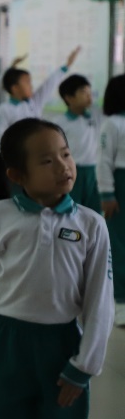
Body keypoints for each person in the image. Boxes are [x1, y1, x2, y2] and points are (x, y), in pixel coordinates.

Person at [0, 119, 113, 419]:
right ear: (17, 174)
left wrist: (84, 365)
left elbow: (99, 301)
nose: (63, 166)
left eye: (66, 154)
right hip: (6, 348)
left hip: (61, 349)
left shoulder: (90, 225)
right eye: (47, 161)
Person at [0, 47, 80, 146]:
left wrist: (67, 65)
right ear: (15, 88)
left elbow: (49, 84)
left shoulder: (33, 102)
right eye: (27, 82)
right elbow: (0, 137)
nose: (31, 86)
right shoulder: (4, 109)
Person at [96, 74, 125, 326]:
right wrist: (107, 193)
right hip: (120, 185)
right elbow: (104, 161)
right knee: (119, 243)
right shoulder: (112, 124)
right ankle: (120, 302)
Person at [57, 74, 100, 211]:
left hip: (95, 171)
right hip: (73, 171)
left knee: (95, 211)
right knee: (72, 209)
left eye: (89, 92)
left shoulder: (96, 116)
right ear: (69, 98)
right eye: (83, 92)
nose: (89, 96)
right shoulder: (61, 123)